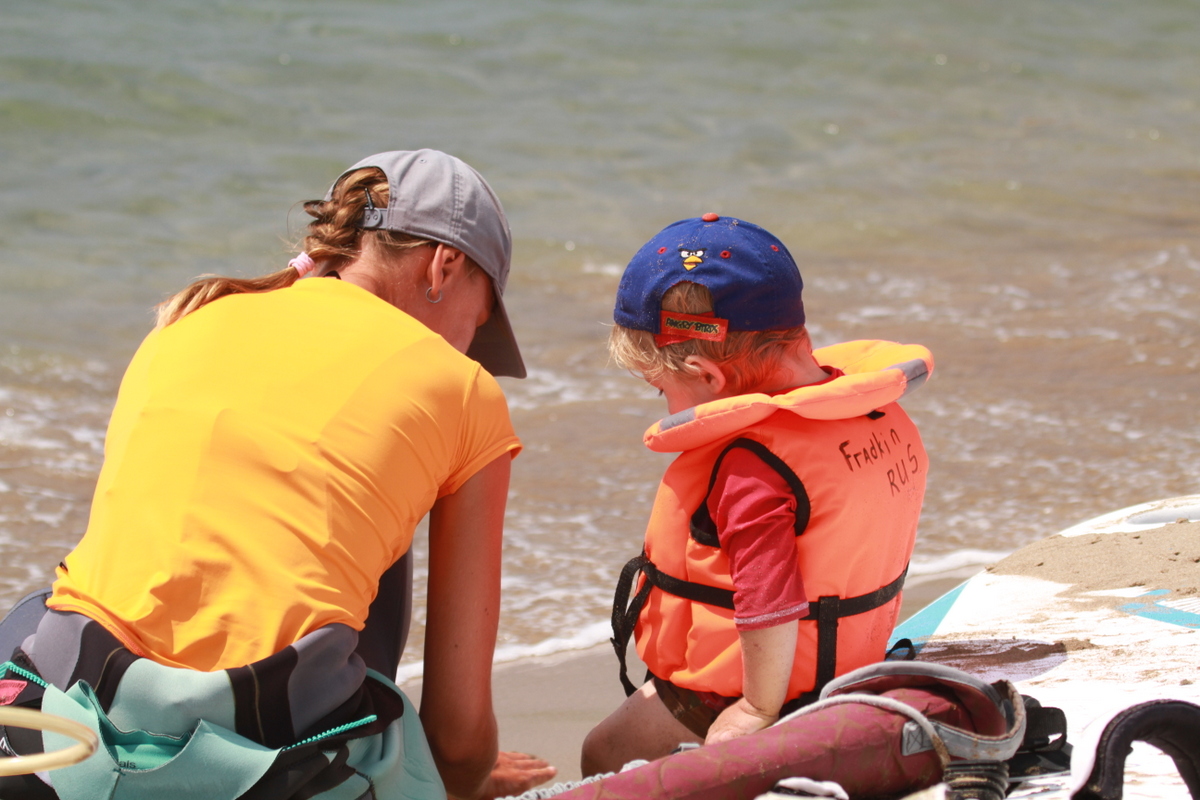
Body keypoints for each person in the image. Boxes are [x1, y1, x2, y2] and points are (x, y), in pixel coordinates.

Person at [0, 150, 556, 800]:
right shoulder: (464, 391)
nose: (466, 349)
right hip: (269, 760)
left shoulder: (188, 320)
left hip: (65, 735)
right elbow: (458, 742)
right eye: (478, 322)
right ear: (444, 266)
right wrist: (457, 776)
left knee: (39, 610)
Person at [581, 214, 933, 776]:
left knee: (602, 753)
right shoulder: (870, 414)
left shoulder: (754, 466)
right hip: (848, 665)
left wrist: (756, 708)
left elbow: (770, 602)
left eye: (659, 387)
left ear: (706, 376)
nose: (662, 402)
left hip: (757, 690)